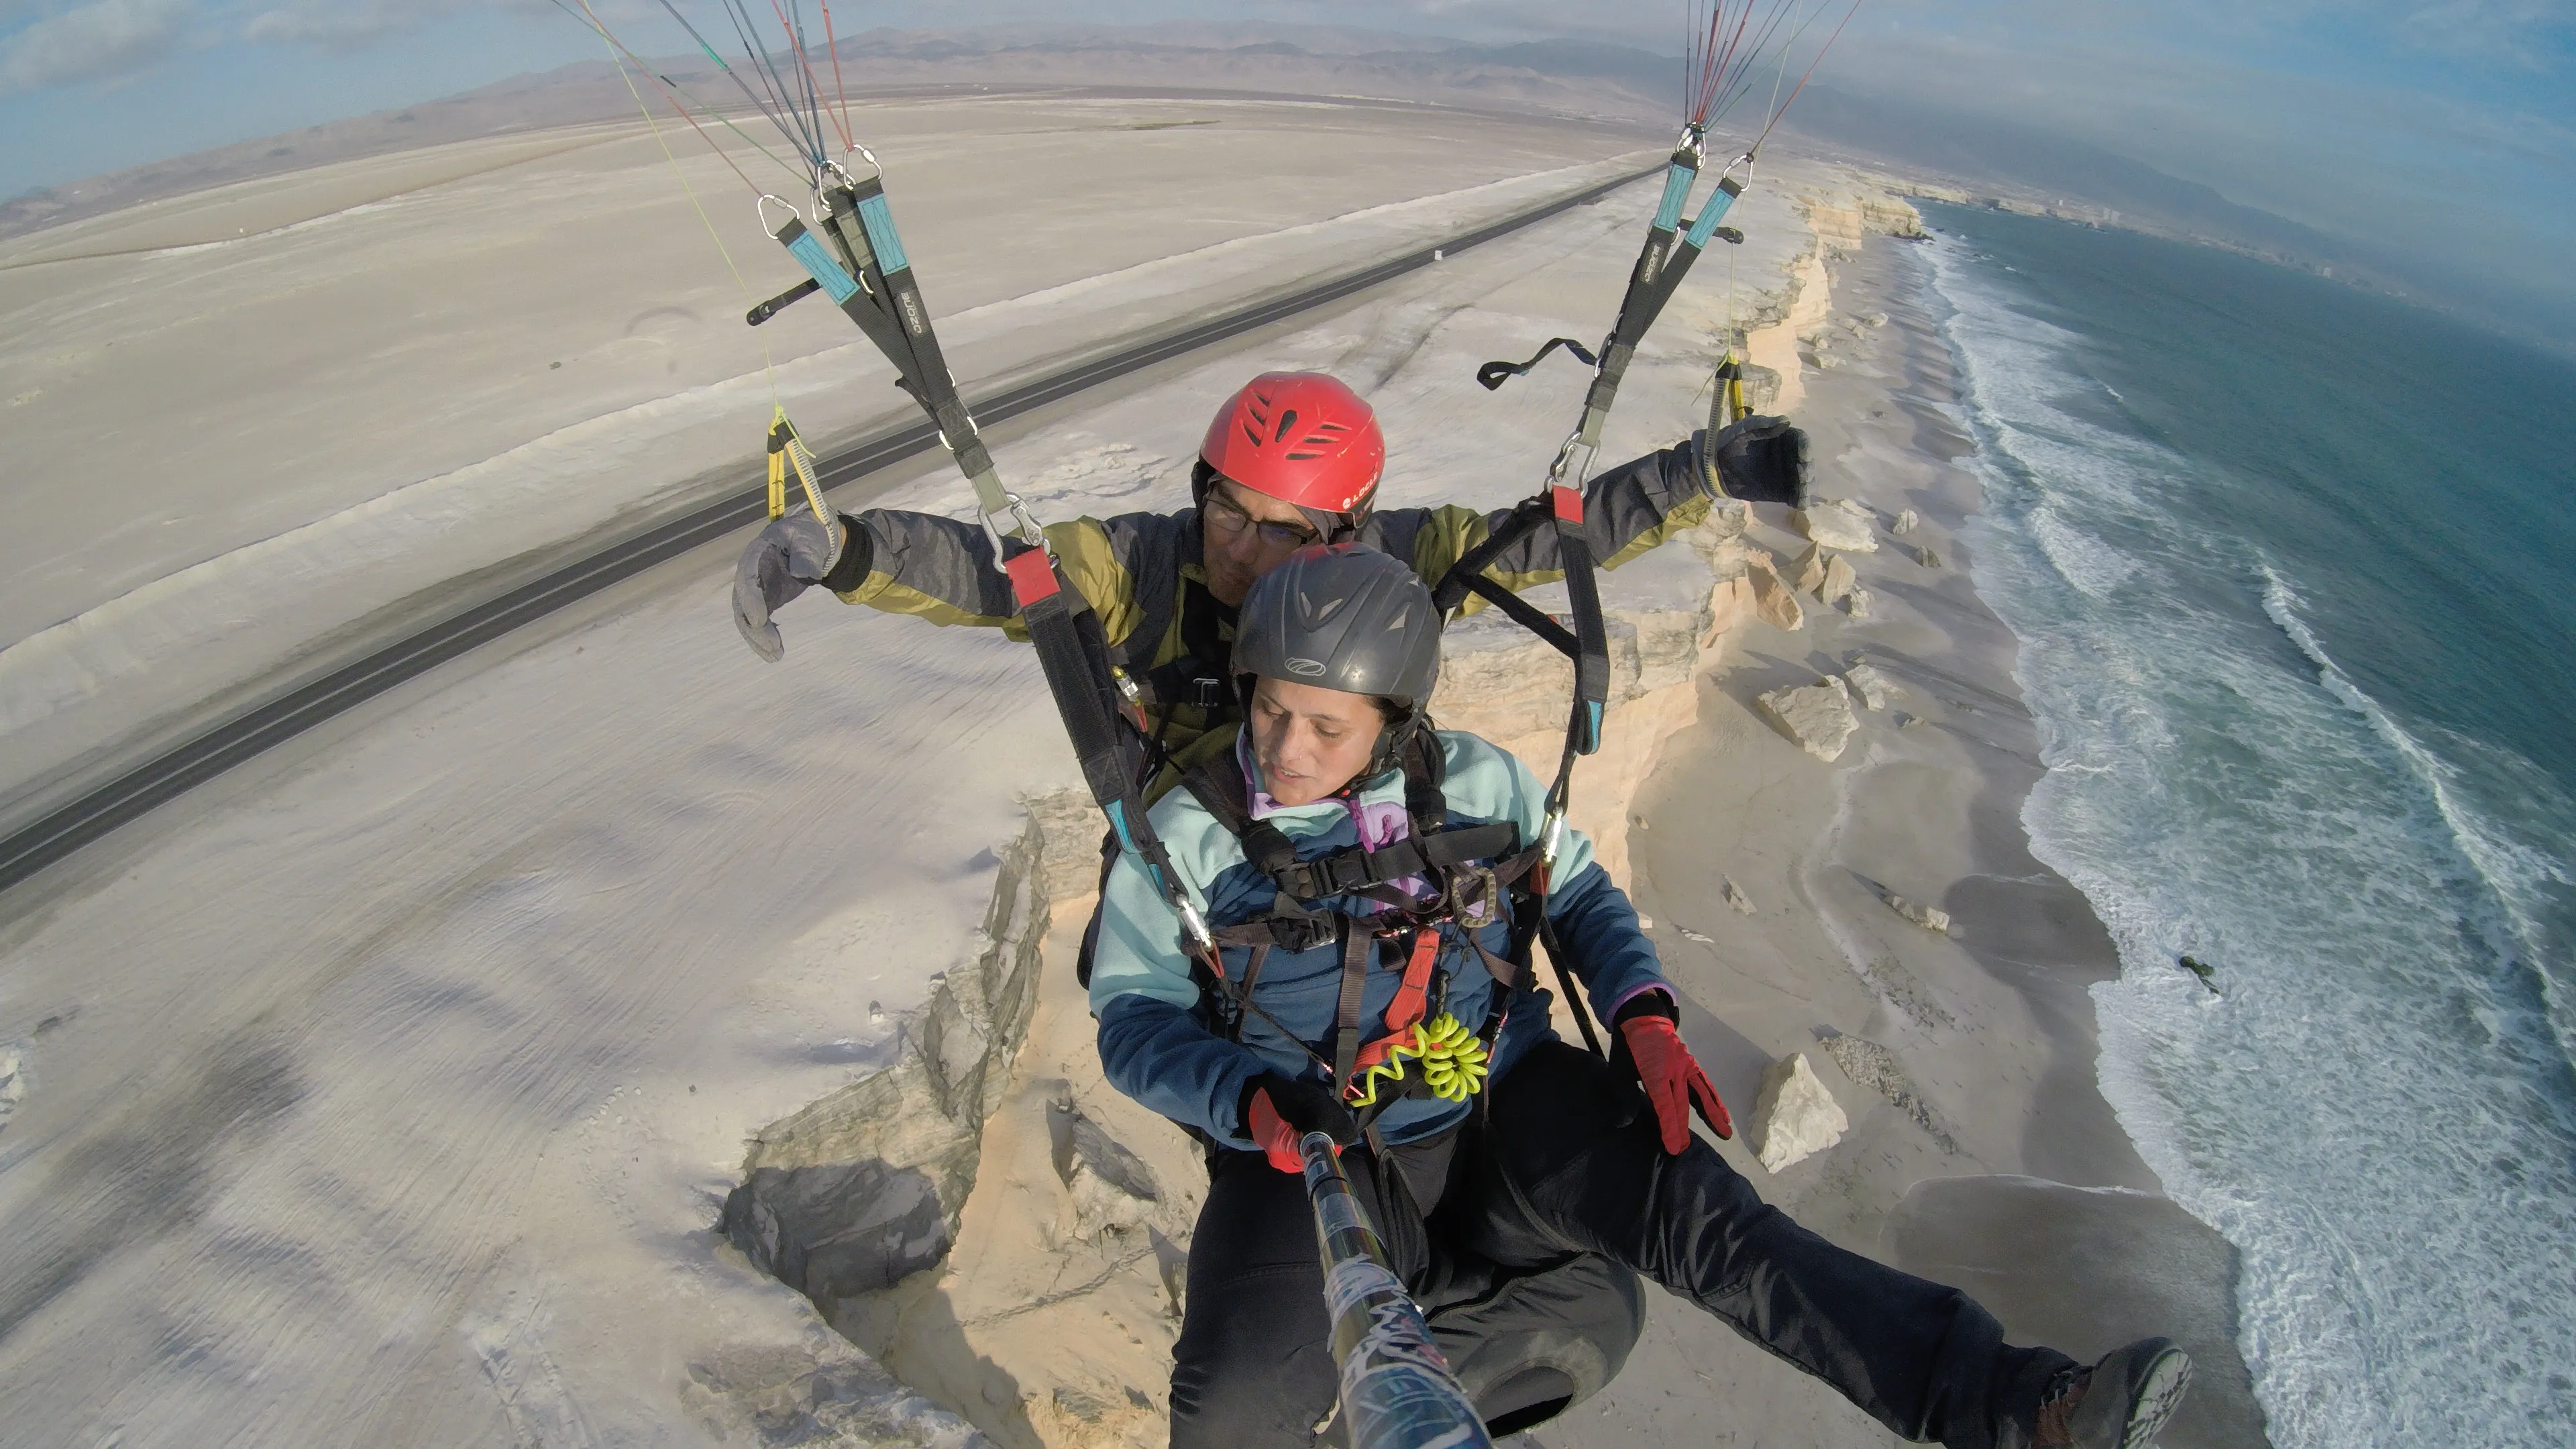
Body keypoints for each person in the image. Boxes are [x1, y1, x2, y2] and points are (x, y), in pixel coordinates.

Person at [1085, 543, 2196, 1448]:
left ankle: (2016, 1406)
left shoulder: (1477, 785)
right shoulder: (1184, 836)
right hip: (1311, 1145)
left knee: (1721, 1229)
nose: (1286, 748)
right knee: (1228, 1409)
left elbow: (1578, 896)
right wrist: (1250, 1102)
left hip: (1503, 1097)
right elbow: (1132, 1020)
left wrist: (1642, 1010)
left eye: (1328, 726)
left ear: (1397, 719)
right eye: (1272, 711)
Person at [730, 370, 1810, 795]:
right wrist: (850, 552)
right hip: (1210, 835)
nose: (1241, 549)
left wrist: (1702, 469)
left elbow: (1538, 542)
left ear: (1343, 527)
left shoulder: (1397, 559)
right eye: (1226, 510)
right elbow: (1008, 575)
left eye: (1280, 531)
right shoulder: (1149, 565)